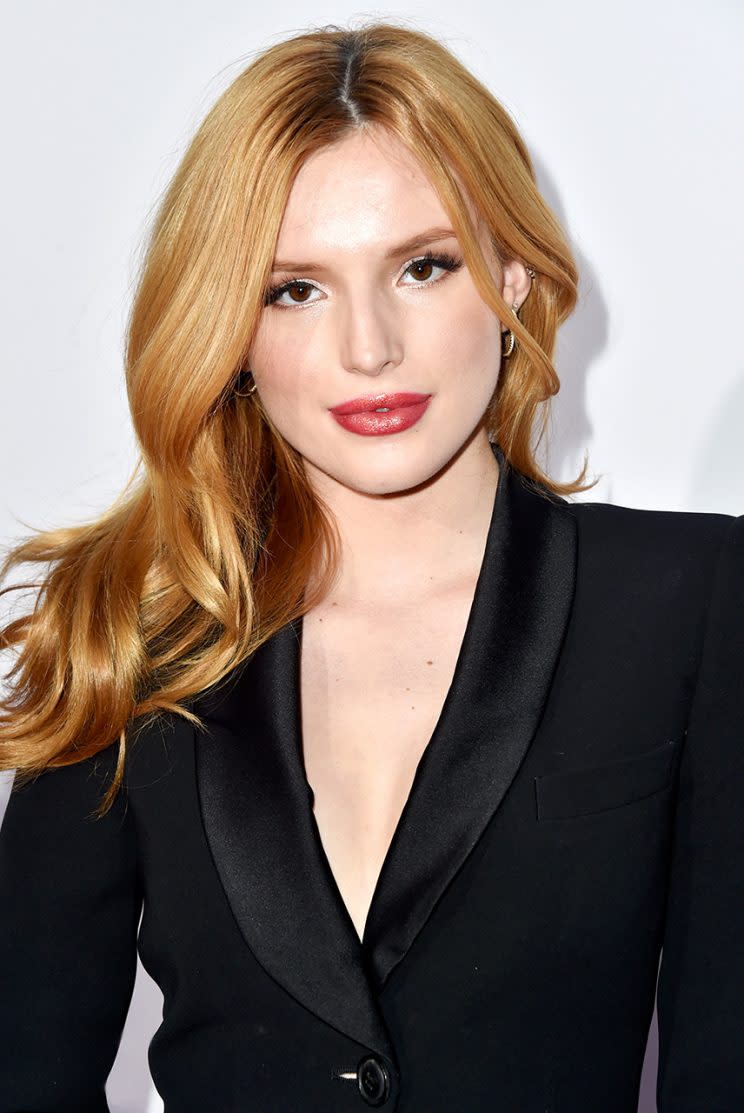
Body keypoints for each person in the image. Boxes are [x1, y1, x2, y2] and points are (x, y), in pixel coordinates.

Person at [0, 19, 742, 1113]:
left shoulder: (693, 604)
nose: (369, 349)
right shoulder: (131, 626)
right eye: (294, 288)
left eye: (423, 266)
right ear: (233, 330)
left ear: (515, 276)